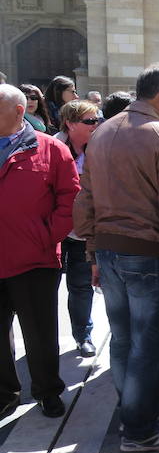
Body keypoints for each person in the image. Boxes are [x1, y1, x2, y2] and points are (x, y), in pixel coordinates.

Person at [73, 64, 159, 453]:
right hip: (148, 254)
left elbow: (86, 201)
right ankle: (139, 429)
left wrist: (93, 251)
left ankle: (133, 414)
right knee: (145, 344)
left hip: (111, 251)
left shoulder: (104, 131)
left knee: (125, 339)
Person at [0, 84, 79, 418]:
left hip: (34, 259)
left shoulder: (50, 149)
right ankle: (5, 393)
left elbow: (71, 198)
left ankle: (47, 390)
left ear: (19, 111)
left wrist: (48, 237)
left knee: (41, 332)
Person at [55, 100, 103, 358]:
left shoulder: (99, 147)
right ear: (70, 124)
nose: (96, 125)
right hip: (55, 232)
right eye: (89, 121)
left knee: (81, 286)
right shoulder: (53, 147)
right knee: (48, 288)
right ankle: (44, 340)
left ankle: (82, 335)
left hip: (84, 232)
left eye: (97, 119)